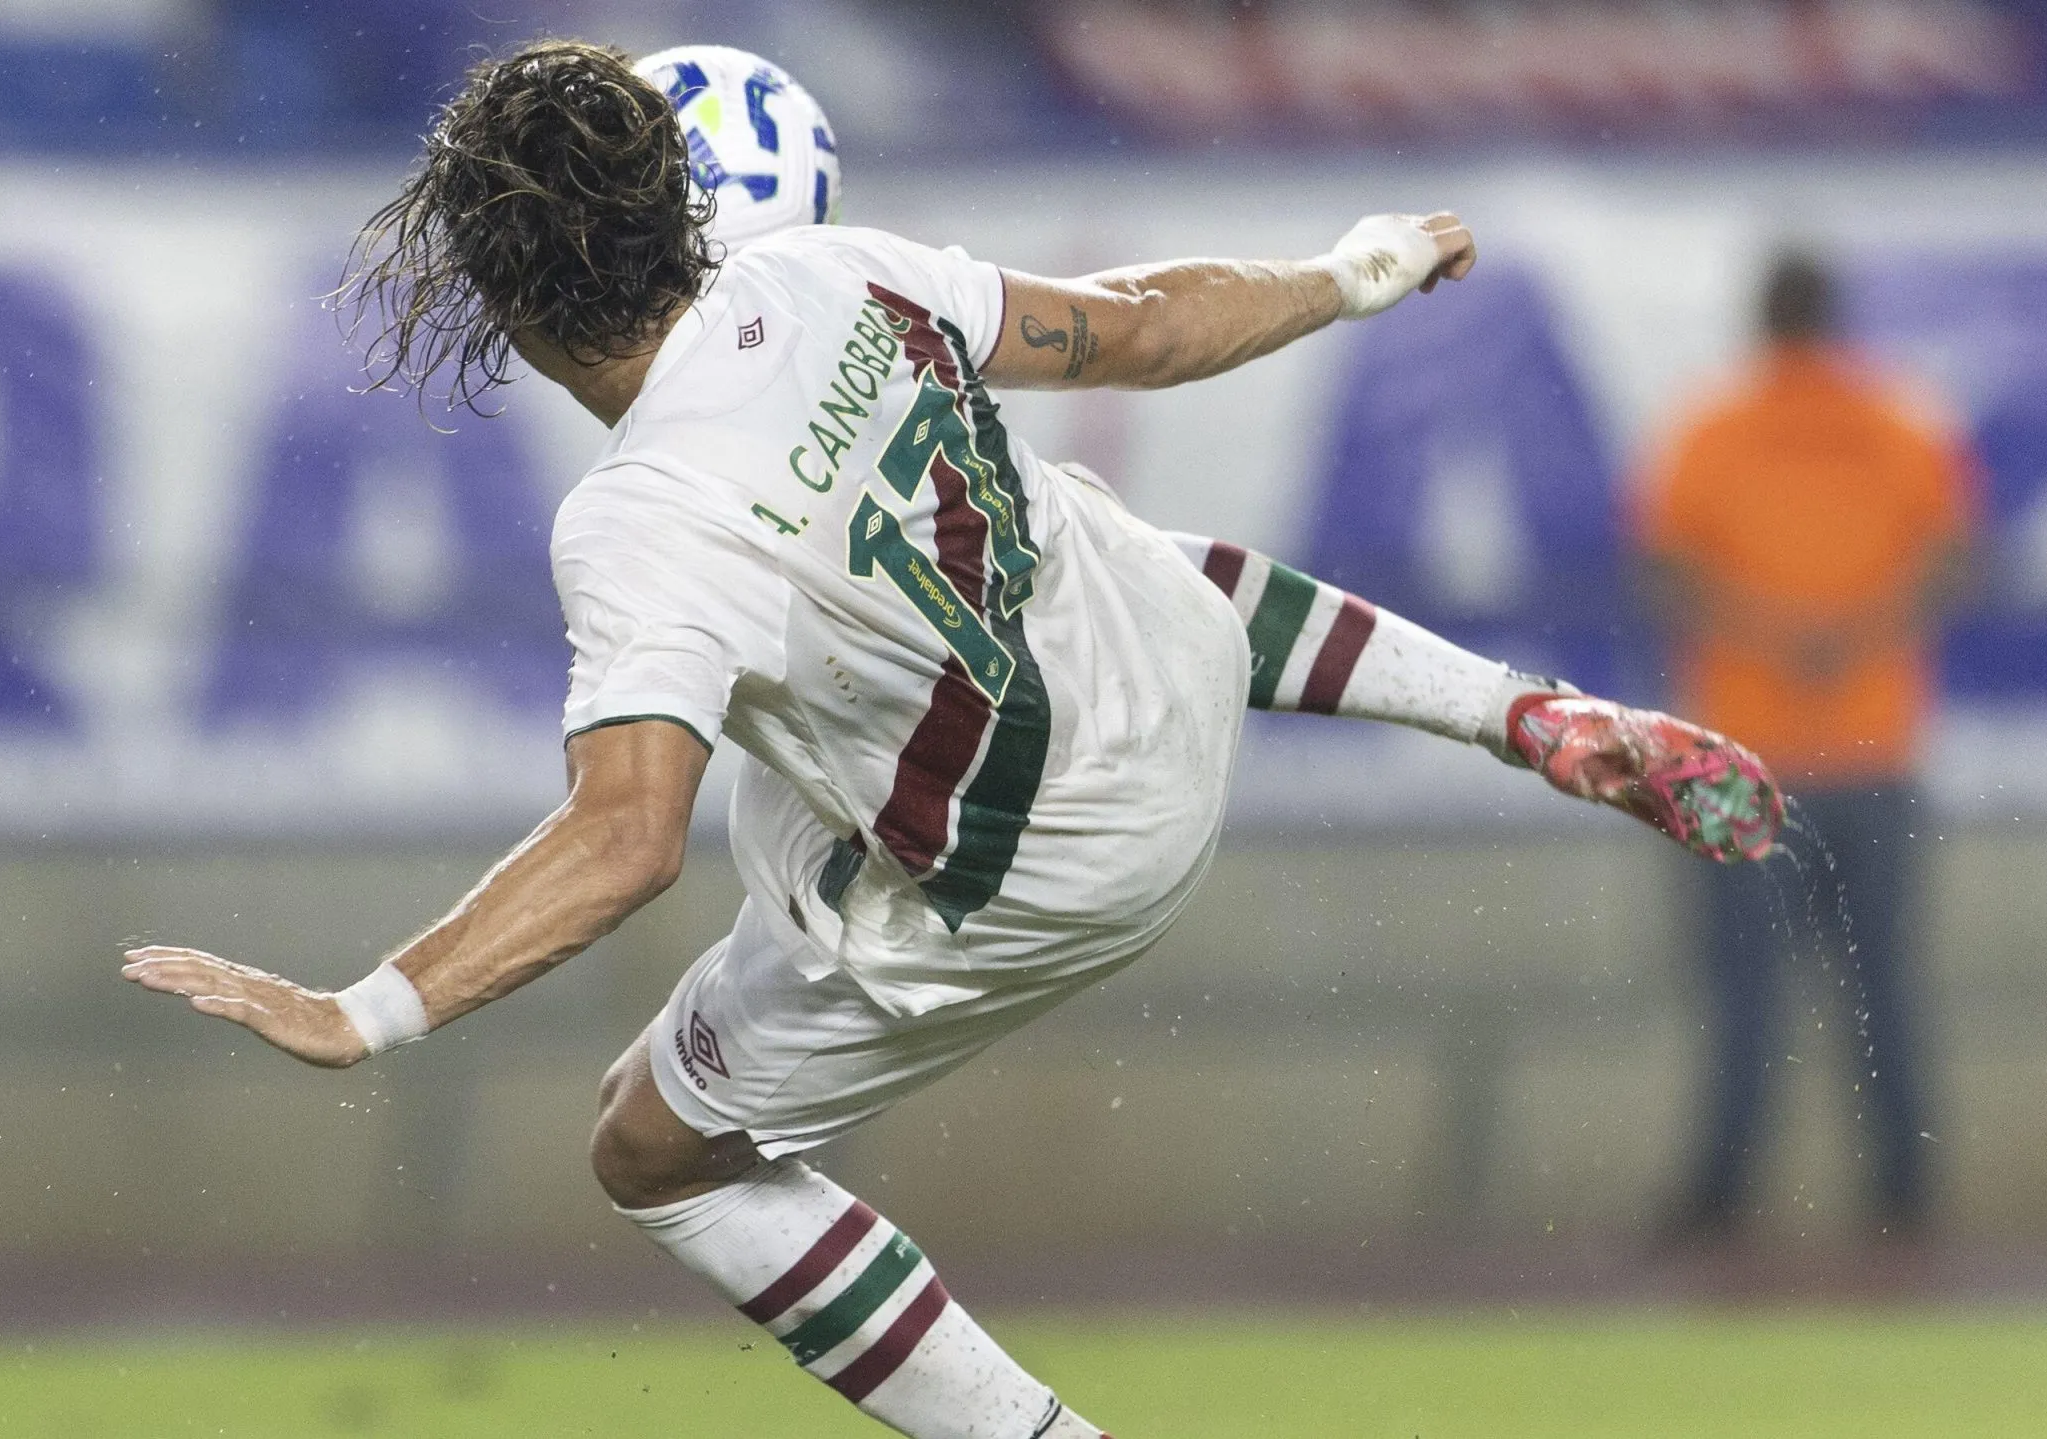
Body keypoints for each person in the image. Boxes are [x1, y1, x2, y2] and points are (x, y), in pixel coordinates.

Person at [125, 40, 1781, 1437]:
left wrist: (373, 1004)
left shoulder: (641, 519)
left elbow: (626, 836)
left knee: (656, 1142)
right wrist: (1348, 275)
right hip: (1162, 684)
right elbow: (1135, 328)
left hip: (1026, 866)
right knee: (1094, 551)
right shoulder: (825, 268)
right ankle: (1519, 710)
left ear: (503, 291)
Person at [1636, 250, 1978, 1245]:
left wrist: (1769, 629)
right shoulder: (1899, 421)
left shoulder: (1710, 426)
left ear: (1760, 322)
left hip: (1741, 759)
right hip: (1875, 752)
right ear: (1838, 319)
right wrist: (1857, 629)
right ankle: (1905, 1202)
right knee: (1883, 994)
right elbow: (1953, 557)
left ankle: (1718, 1201)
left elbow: (1665, 570)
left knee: (1741, 997)